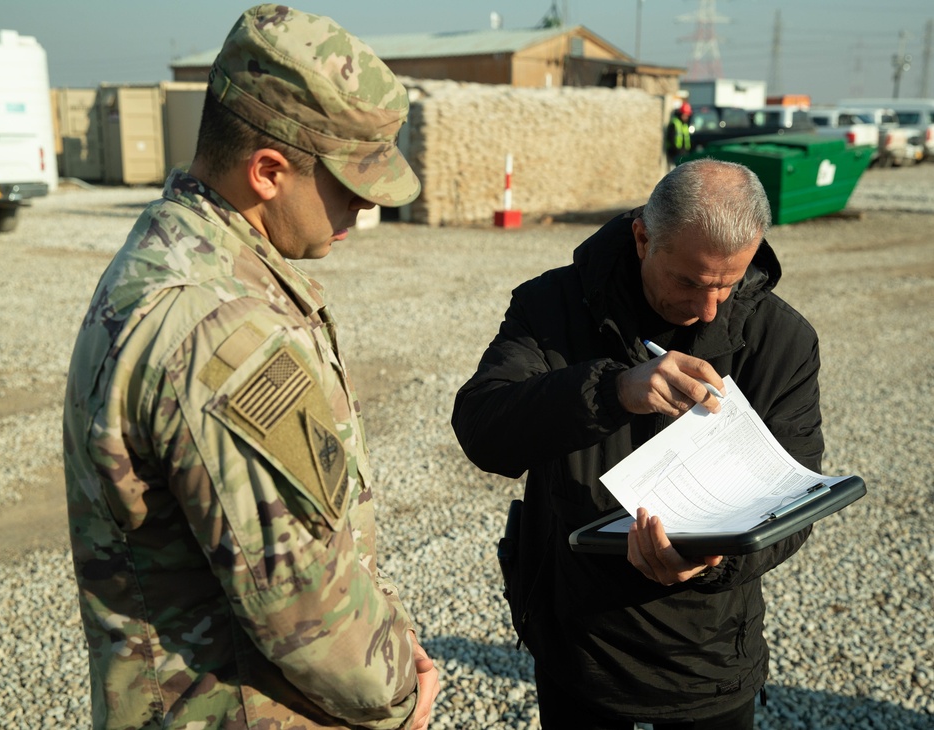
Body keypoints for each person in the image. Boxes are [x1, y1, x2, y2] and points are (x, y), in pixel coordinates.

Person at [63, 5, 439, 728]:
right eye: (349, 188)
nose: (362, 212)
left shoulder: (178, 257)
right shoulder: (217, 332)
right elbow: (306, 610)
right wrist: (399, 693)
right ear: (268, 171)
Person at [452, 159, 824, 729]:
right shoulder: (551, 308)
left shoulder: (782, 340)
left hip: (709, 661)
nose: (708, 308)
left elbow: (793, 502)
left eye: (728, 284)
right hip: (578, 651)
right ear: (643, 237)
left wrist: (709, 563)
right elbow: (483, 431)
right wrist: (610, 391)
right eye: (691, 282)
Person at [665, 101, 692, 168]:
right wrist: (675, 149)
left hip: (683, 152)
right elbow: (671, 138)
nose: (686, 117)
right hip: (674, 153)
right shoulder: (675, 123)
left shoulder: (684, 125)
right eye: (685, 115)